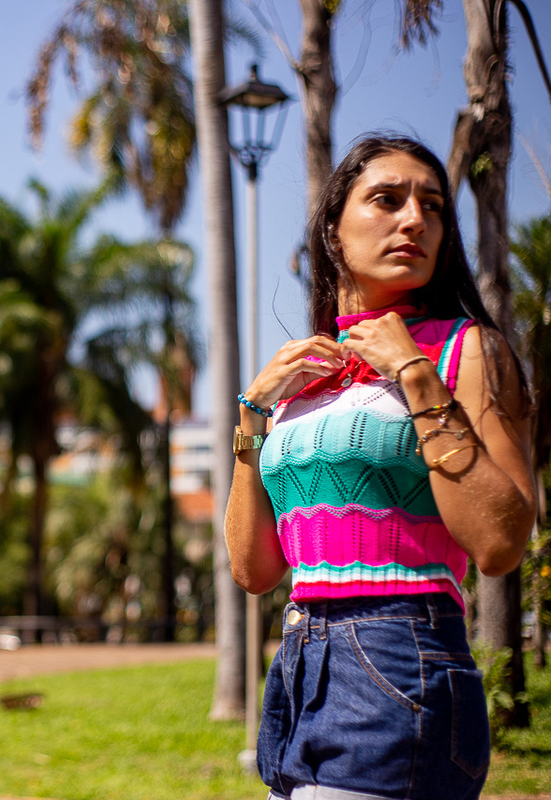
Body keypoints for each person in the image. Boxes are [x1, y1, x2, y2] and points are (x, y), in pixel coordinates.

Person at [227, 134, 536, 800]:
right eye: (387, 200)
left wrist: (416, 375)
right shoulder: (303, 378)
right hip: (297, 666)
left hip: (403, 657)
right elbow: (254, 570)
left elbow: (501, 542)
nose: (414, 219)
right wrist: (251, 415)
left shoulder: (468, 351)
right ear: (333, 231)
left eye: (431, 206)